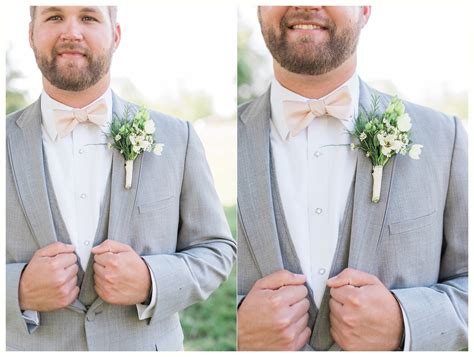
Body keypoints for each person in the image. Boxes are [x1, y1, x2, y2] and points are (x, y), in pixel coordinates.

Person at [237, 6, 467, 351]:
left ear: (365, 8)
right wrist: (235, 326)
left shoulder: (443, 139)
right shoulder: (217, 141)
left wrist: (407, 322)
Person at [6, 6, 236, 351]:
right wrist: (15, 288)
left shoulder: (177, 138)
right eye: (54, 17)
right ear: (30, 34)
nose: (71, 32)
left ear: (115, 35)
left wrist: (151, 280)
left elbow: (217, 250)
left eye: (88, 17)